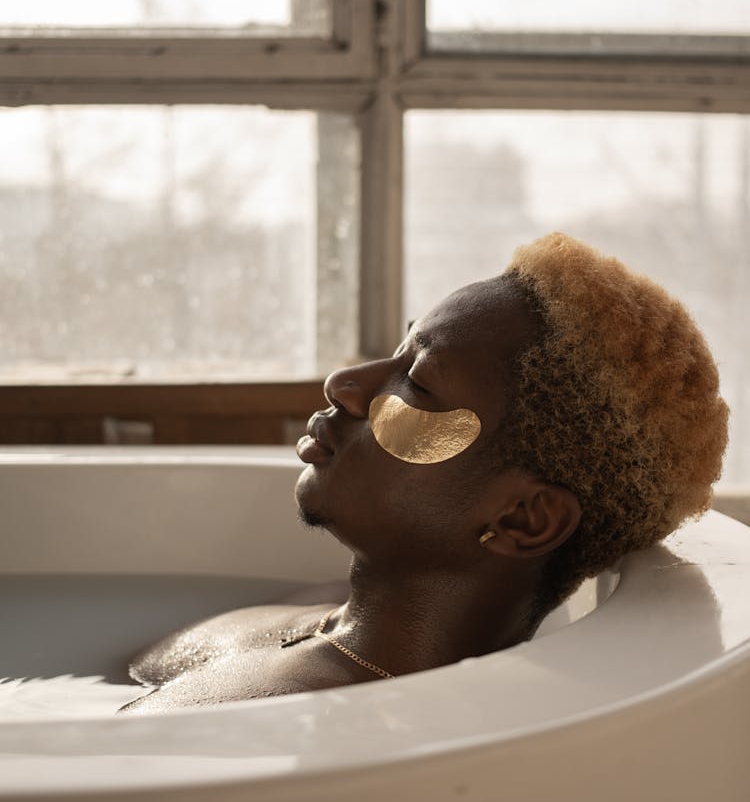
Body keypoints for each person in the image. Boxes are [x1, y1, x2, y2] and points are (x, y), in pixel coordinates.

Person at [119, 233, 728, 714]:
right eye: (399, 351)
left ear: (521, 517)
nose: (346, 384)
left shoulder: (274, 724)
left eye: (418, 383)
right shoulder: (332, 616)